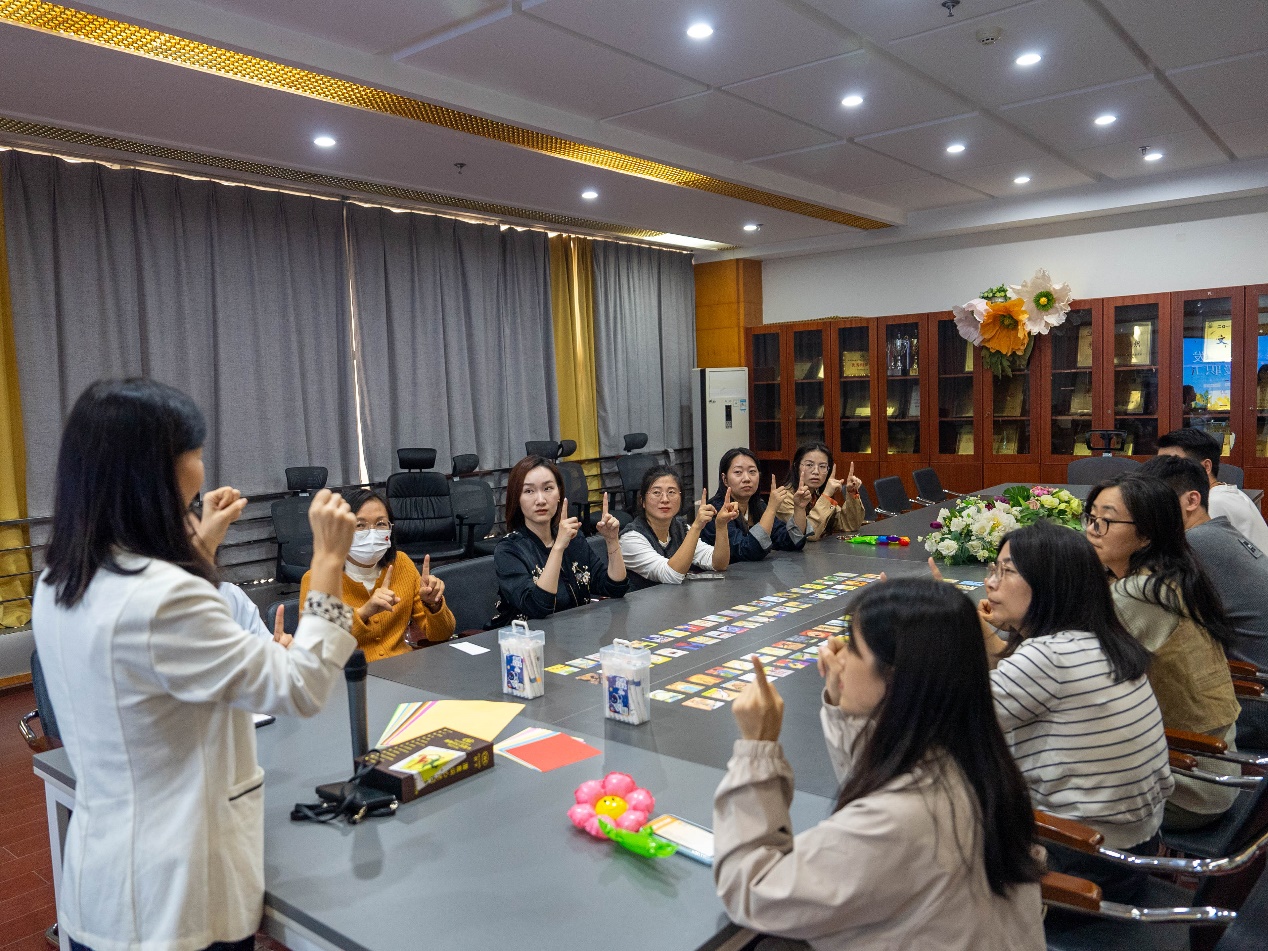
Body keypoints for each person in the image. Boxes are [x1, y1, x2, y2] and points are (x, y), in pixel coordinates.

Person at [32, 378, 359, 951]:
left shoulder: (60, 582)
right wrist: (329, 559)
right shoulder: (163, 600)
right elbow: (302, 686)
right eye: (194, 457)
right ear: (152, 476)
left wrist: (202, 542)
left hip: (106, 888)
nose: (201, 473)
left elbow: (154, 636)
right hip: (176, 903)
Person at [713, 579, 1044, 951]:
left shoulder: (900, 819)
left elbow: (751, 891)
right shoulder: (972, 758)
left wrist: (757, 750)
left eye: (853, 648)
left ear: (895, 678)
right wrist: (843, 707)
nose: (838, 657)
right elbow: (872, 786)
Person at [973, 522, 1172, 900]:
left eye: (1007, 571)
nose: (991, 582)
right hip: (1135, 850)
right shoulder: (1102, 639)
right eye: (993, 569)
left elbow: (949, 722)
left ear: (1050, 584)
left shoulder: (1048, 657)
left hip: (1079, 865)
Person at [1084, 473, 1242, 829]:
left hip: (1185, 789)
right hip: (1217, 771)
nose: (1093, 530)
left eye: (1106, 521)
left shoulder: (1134, 597)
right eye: (1091, 518)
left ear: (1146, 535)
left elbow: (1062, 675)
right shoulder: (1172, 574)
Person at [1142, 453, 1268, 748]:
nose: (1146, 515)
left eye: (1155, 504)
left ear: (1192, 500)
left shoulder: (1193, 546)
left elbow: (1139, 602)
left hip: (1251, 701)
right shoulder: (1218, 532)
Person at [298, 488, 455, 662]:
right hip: (351, 674)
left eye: (381, 524)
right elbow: (317, 651)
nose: (372, 533)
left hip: (403, 668)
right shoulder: (318, 579)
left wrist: (433, 605)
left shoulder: (401, 564)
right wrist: (364, 613)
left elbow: (441, 634)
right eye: (360, 525)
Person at [490, 455, 628, 626]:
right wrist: (558, 547)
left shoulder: (574, 538)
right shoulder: (508, 549)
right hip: (528, 638)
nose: (541, 500)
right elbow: (538, 606)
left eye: (548, 488)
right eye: (529, 491)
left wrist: (612, 540)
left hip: (574, 633)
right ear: (517, 498)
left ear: (559, 494)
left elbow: (615, 588)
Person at [618, 466, 737, 590]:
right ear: (643, 501)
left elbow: (718, 564)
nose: (665, 499)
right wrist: (696, 527)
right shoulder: (630, 538)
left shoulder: (680, 528)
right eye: (656, 492)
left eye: (671, 492)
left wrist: (721, 525)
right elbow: (672, 575)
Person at [1157, 427, 1268, 551]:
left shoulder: (1213, 503)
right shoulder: (1223, 492)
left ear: (1206, 467)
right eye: (1158, 464)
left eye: (1173, 464)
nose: (1161, 472)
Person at [701, 448, 806, 561]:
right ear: (725, 479)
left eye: (752, 472)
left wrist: (799, 508)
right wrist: (771, 509)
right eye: (738, 472)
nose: (747, 479)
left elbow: (790, 542)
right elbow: (748, 551)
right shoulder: (716, 510)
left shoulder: (758, 506)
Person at [774, 443, 865, 540]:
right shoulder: (783, 498)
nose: (816, 471)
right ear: (796, 466)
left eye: (822, 466)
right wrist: (826, 496)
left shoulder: (816, 495)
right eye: (809, 465)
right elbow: (808, 536)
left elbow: (849, 525)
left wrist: (852, 494)